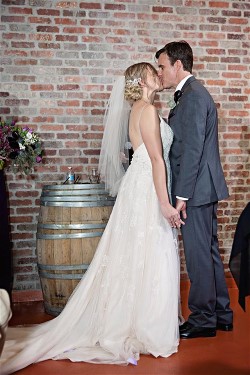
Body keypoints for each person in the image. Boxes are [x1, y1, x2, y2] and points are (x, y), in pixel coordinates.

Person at [1, 62, 183, 374]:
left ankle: (135, 318)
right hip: (148, 187)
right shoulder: (148, 110)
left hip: (137, 186)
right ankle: (147, 325)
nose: (157, 74)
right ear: (142, 80)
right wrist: (165, 203)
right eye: (153, 72)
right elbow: (155, 158)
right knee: (153, 249)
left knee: (137, 252)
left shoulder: (137, 109)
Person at [155, 41, 233, 339]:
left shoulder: (194, 96)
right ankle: (222, 314)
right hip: (203, 188)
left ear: (178, 65)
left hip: (197, 190)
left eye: (162, 66)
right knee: (209, 252)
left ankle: (202, 319)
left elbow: (192, 151)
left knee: (199, 254)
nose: (160, 72)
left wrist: (181, 197)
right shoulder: (190, 95)